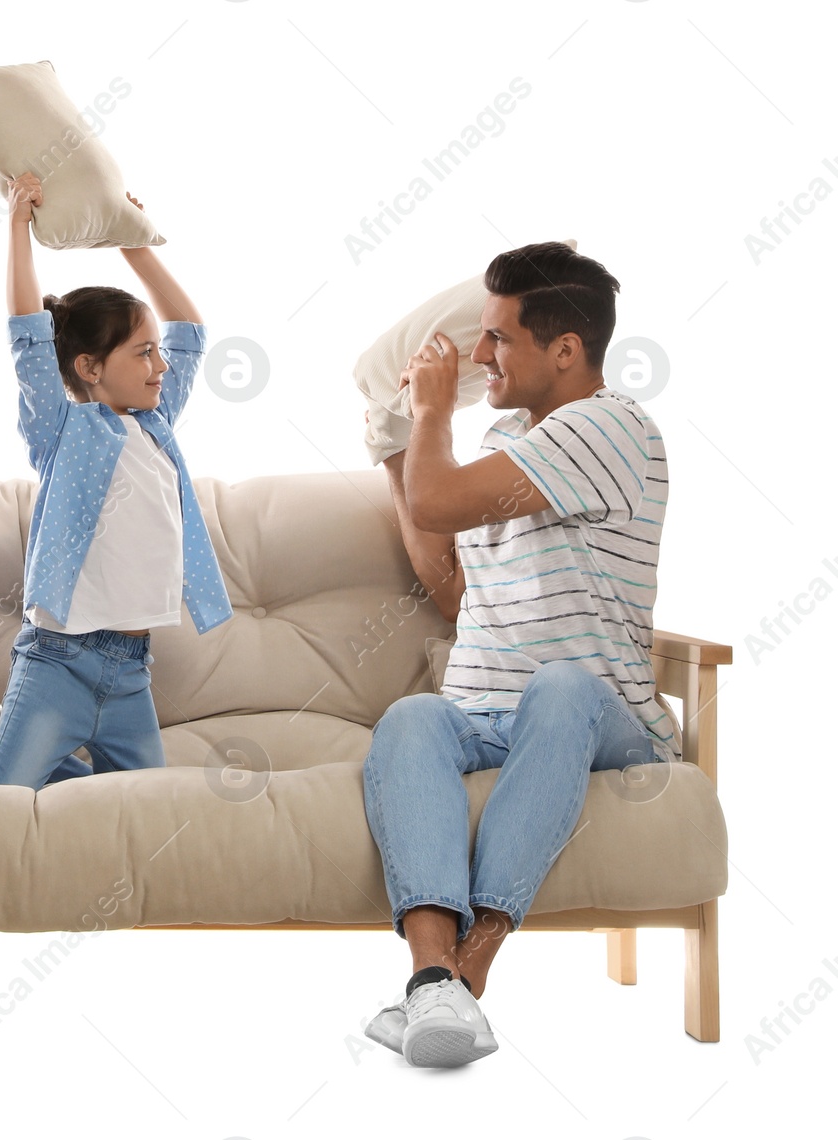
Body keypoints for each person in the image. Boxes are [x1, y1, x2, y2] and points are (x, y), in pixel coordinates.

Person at [360, 242, 677, 1067]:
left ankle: (471, 973)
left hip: (597, 720)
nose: (477, 356)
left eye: (498, 337)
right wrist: (392, 444)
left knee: (561, 687)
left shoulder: (609, 427)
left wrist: (429, 416)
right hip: (486, 716)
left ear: (566, 351)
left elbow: (438, 496)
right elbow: (450, 584)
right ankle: (432, 983)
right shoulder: (508, 439)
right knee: (413, 717)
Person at [0, 173, 232, 787]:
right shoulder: (64, 431)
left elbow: (192, 332)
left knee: (141, 808)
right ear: (88, 367)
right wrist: (17, 226)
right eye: (142, 353)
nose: (160, 364)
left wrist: (133, 245)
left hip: (131, 671)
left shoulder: (156, 424)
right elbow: (26, 329)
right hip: (58, 663)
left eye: (157, 352)